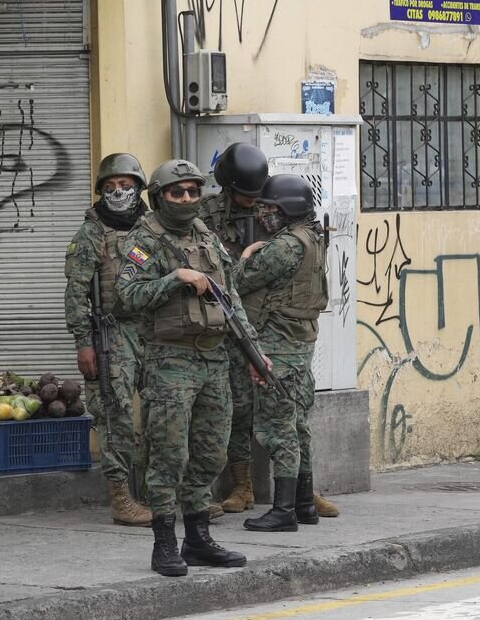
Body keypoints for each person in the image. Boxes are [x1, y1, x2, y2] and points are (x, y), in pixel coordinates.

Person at [116, 159, 255, 578]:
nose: (187, 199)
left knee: (212, 450)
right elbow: (126, 295)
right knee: (168, 454)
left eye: (194, 191)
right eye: (178, 192)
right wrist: (175, 276)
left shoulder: (205, 236)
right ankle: (164, 543)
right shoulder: (144, 241)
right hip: (169, 361)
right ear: (159, 197)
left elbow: (229, 298)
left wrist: (254, 352)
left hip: (213, 358)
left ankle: (197, 538)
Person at [234, 175, 329, 530]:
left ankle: (284, 510)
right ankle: (304, 505)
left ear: (288, 209)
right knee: (299, 424)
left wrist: (245, 255)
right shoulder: (313, 238)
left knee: (277, 427)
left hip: (279, 344)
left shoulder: (285, 246)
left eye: (269, 208)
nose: (263, 215)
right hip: (301, 344)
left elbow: (237, 282)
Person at [64, 153, 152, 527]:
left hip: (154, 331)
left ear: (139, 187)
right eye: (110, 186)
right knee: (114, 413)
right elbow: (76, 292)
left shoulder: (153, 226)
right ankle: (121, 497)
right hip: (112, 332)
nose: (118, 191)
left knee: (164, 412)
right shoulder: (91, 232)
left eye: (126, 184)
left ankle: (159, 492)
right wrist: (84, 342)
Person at [198, 142, 268, 516]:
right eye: (243, 195)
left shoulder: (273, 208)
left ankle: (303, 486)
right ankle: (241, 485)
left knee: (285, 407)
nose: (250, 202)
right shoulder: (206, 214)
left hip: (268, 322)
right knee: (235, 407)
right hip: (226, 325)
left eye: (254, 196)